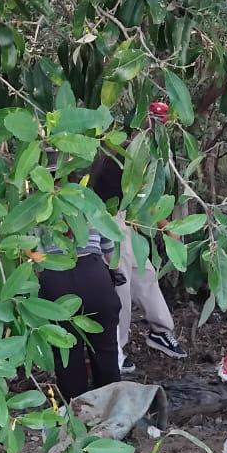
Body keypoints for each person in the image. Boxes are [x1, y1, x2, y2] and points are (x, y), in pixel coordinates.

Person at [87, 104, 188, 372]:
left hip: (120, 215)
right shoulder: (131, 152)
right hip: (104, 218)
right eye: (155, 124)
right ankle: (115, 350)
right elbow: (147, 202)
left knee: (144, 272)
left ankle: (160, 330)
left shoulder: (145, 150)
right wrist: (168, 227)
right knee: (120, 283)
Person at [37, 225, 122, 401]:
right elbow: (111, 254)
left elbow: (36, 259)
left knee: (66, 354)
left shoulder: (34, 211)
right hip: (94, 275)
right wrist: (115, 274)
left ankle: (75, 413)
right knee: (106, 351)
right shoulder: (90, 205)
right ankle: (112, 409)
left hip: (54, 277)